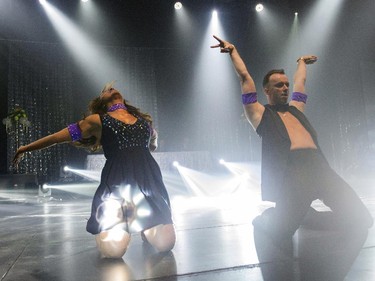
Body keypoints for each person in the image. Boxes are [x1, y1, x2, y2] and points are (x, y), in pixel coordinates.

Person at [211, 35, 373, 256]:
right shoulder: (259, 114)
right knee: (280, 232)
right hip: (293, 173)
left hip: (319, 167)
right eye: (279, 85)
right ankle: (268, 218)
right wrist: (232, 51)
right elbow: (244, 78)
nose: (285, 88)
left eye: (286, 84)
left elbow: (301, 83)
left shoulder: (296, 108)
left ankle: (307, 216)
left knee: (362, 219)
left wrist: (301, 62)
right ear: (267, 91)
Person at [13, 82, 176, 258]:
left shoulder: (144, 123)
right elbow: (56, 138)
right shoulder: (97, 121)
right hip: (117, 180)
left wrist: (144, 149)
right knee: (114, 252)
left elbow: (154, 141)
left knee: (166, 245)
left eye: (112, 87)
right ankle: (113, 230)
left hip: (149, 181)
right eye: (105, 90)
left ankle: (144, 226)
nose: (110, 88)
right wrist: (25, 147)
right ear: (101, 101)